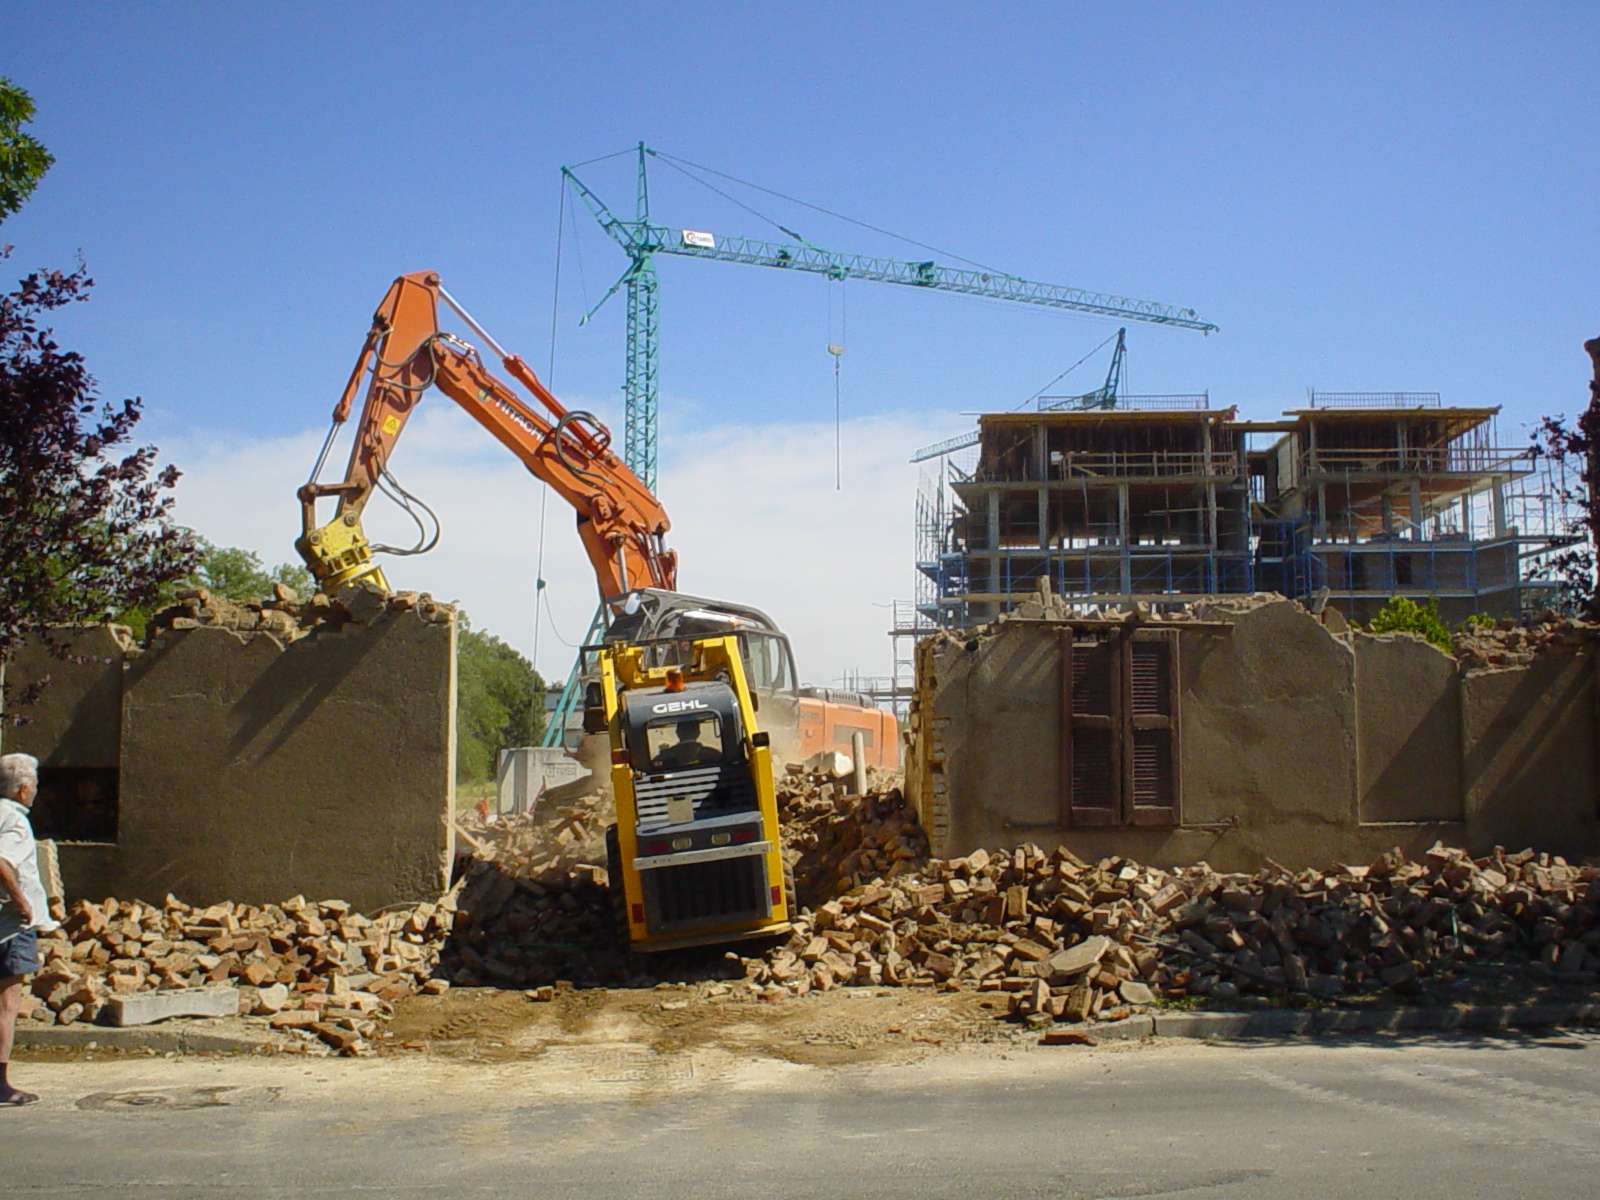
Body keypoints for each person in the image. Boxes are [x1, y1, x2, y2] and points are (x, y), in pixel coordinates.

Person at [0, 752, 57, 1107]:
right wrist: (22, 902)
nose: (36, 791)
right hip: (9, 926)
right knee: (7, 1004)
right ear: (23, 790)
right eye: (34, 785)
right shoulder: (16, 822)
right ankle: (1, 1085)